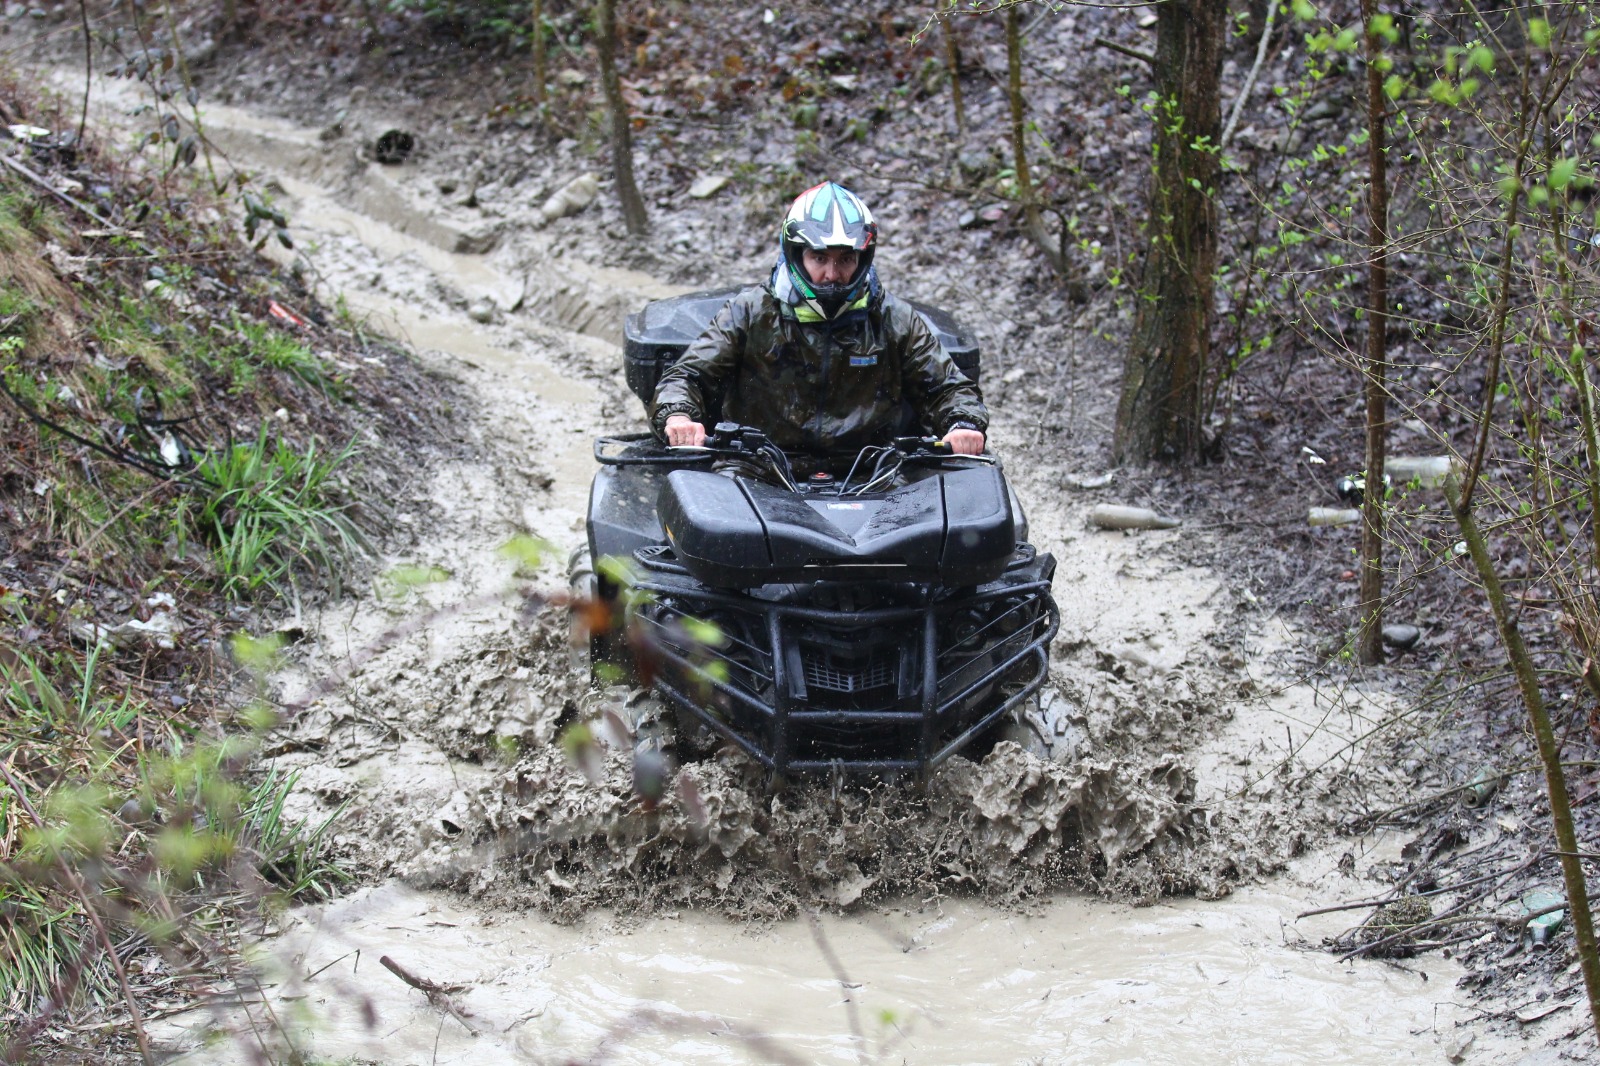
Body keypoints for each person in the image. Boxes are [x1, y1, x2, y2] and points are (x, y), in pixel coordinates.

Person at [650, 182, 987, 474]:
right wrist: (678, 416)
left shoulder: (893, 318)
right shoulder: (750, 312)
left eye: (845, 259)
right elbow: (687, 376)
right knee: (711, 533)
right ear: (796, 255)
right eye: (820, 258)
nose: (832, 273)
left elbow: (948, 388)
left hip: (872, 470)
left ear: (863, 258)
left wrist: (963, 424)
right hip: (755, 466)